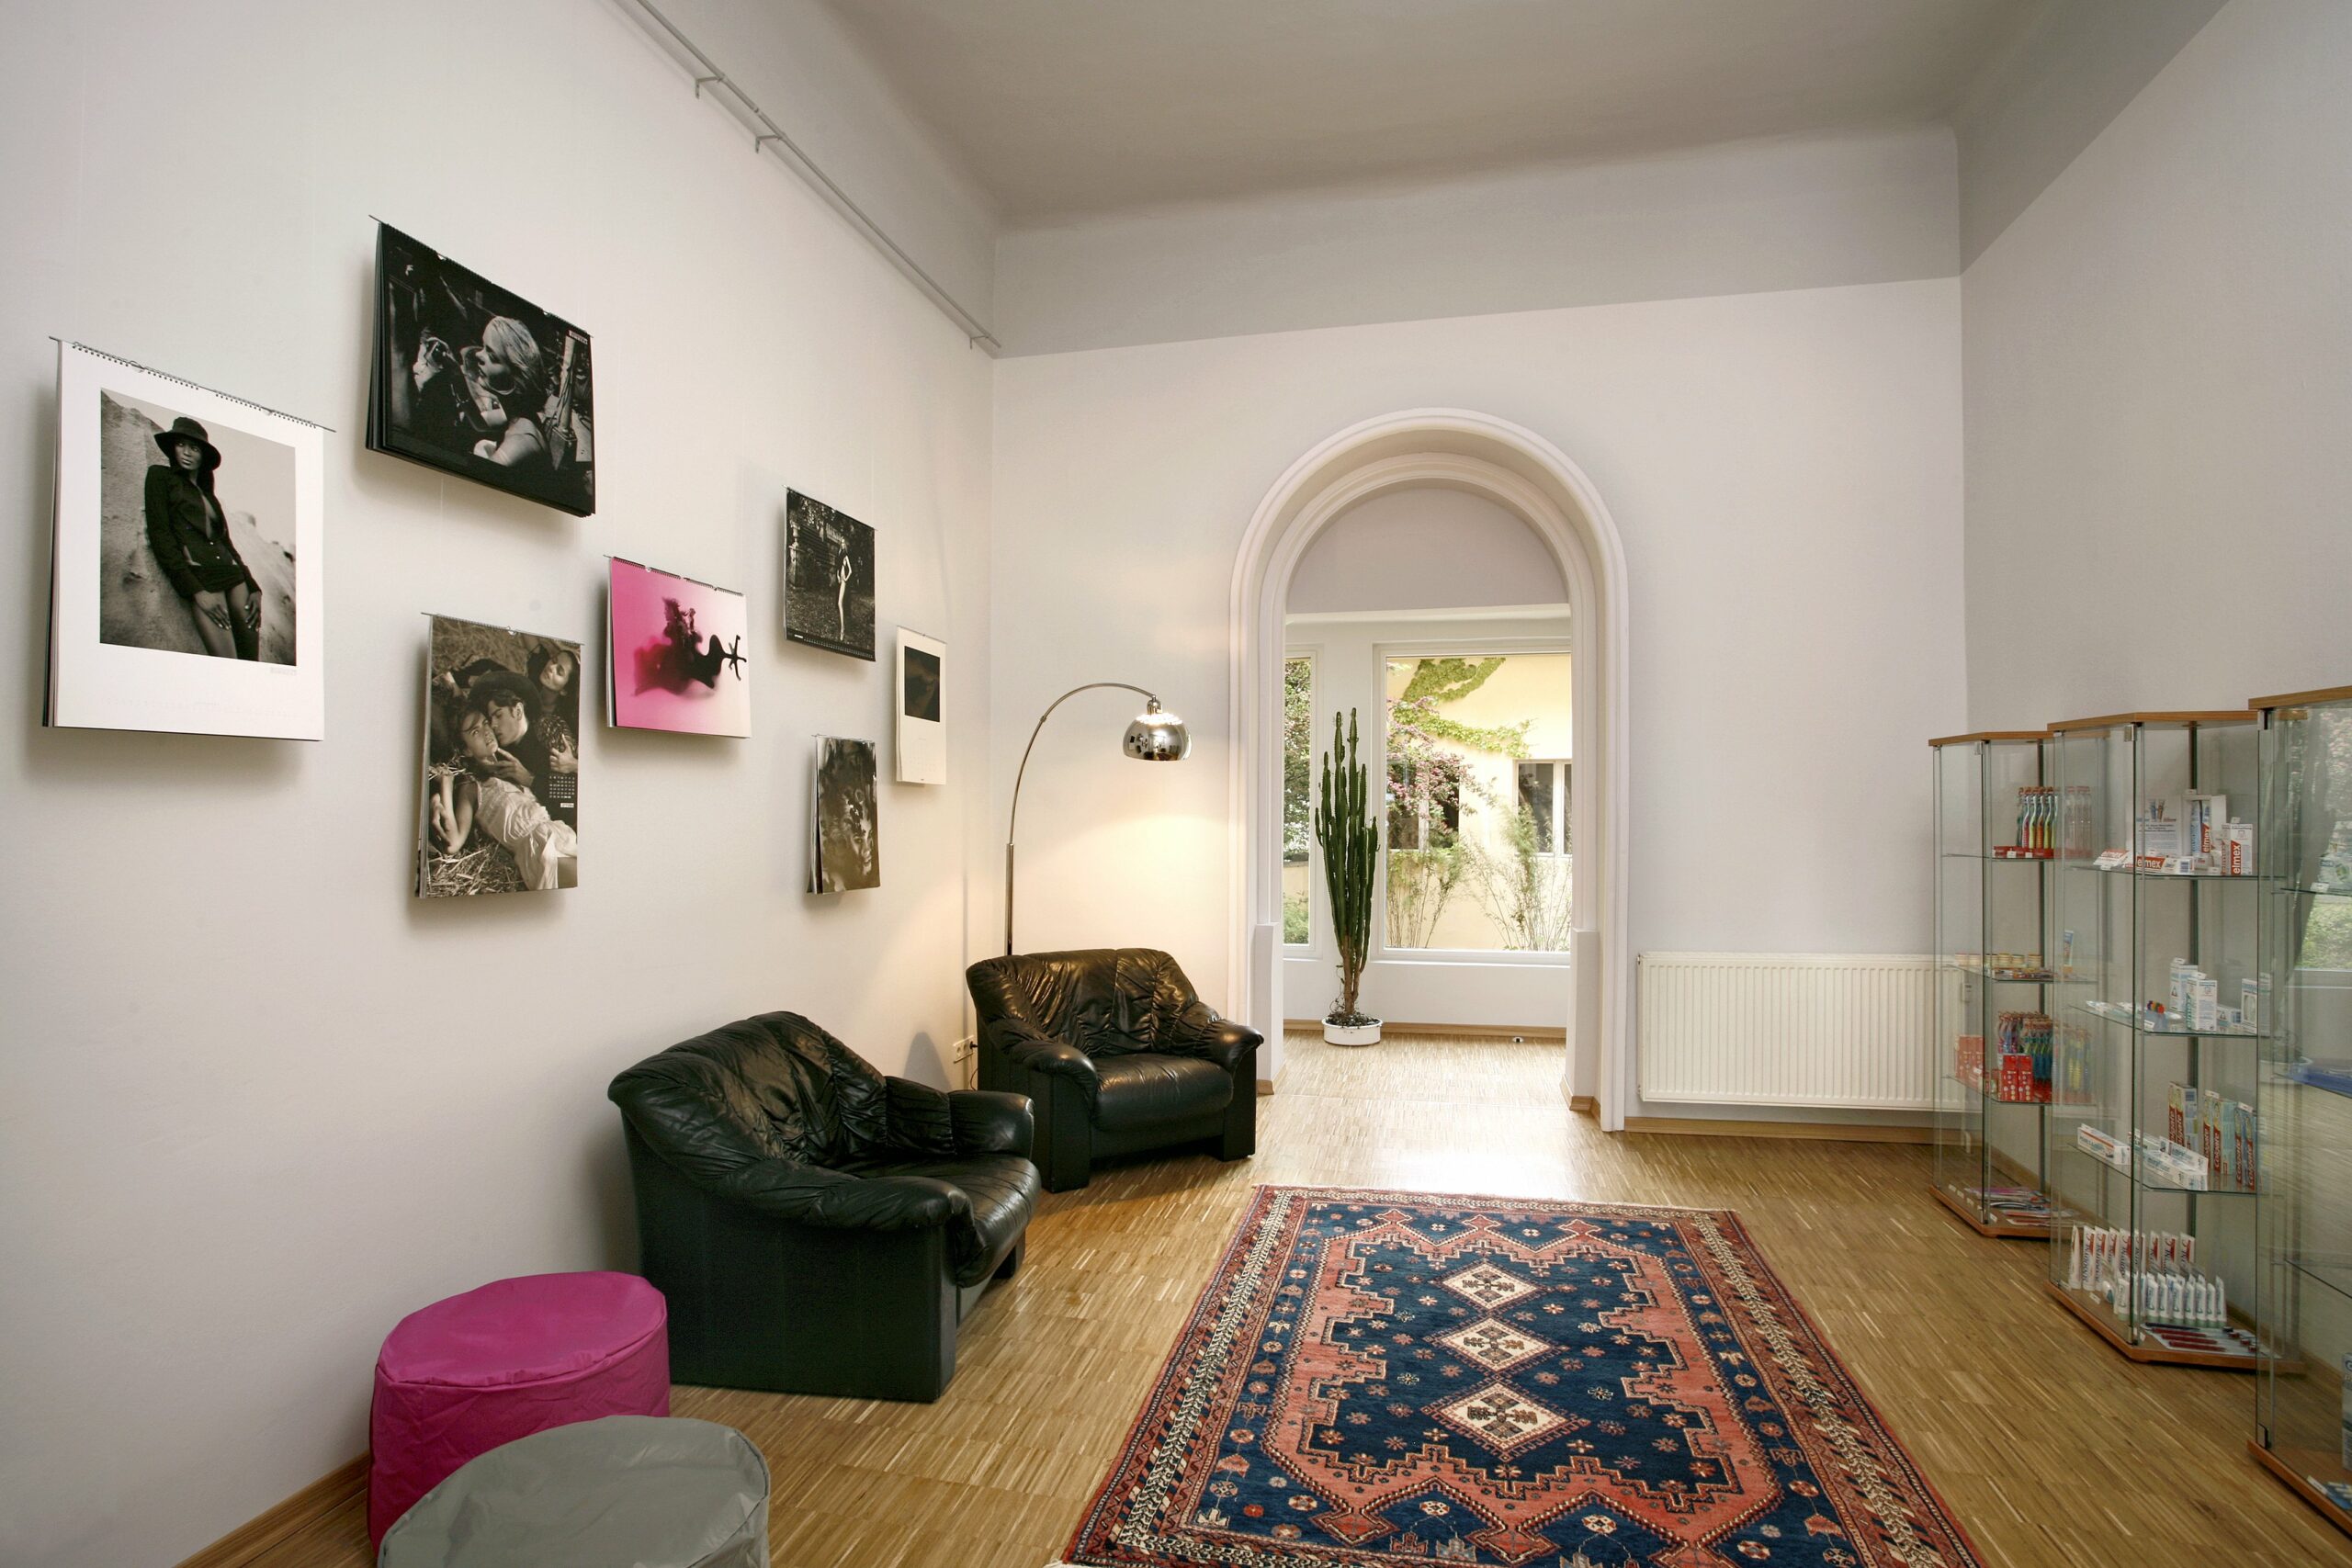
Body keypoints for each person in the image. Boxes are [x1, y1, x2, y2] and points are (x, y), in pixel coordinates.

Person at [143, 417, 259, 660]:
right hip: (203, 578)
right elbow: (161, 536)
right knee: (227, 664)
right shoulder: (160, 476)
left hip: (234, 577)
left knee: (252, 662)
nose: (186, 452)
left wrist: (254, 587)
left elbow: (226, 543)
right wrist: (196, 591)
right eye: (181, 445)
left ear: (203, 455)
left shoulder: (208, 495)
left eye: (194, 448)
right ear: (173, 448)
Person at [432, 705, 577, 890]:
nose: (487, 731)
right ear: (466, 750)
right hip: (539, 851)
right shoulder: (472, 788)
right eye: (475, 731)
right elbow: (453, 844)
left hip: (560, 834)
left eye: (485, 723)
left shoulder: (514, 764)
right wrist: (446, 784)